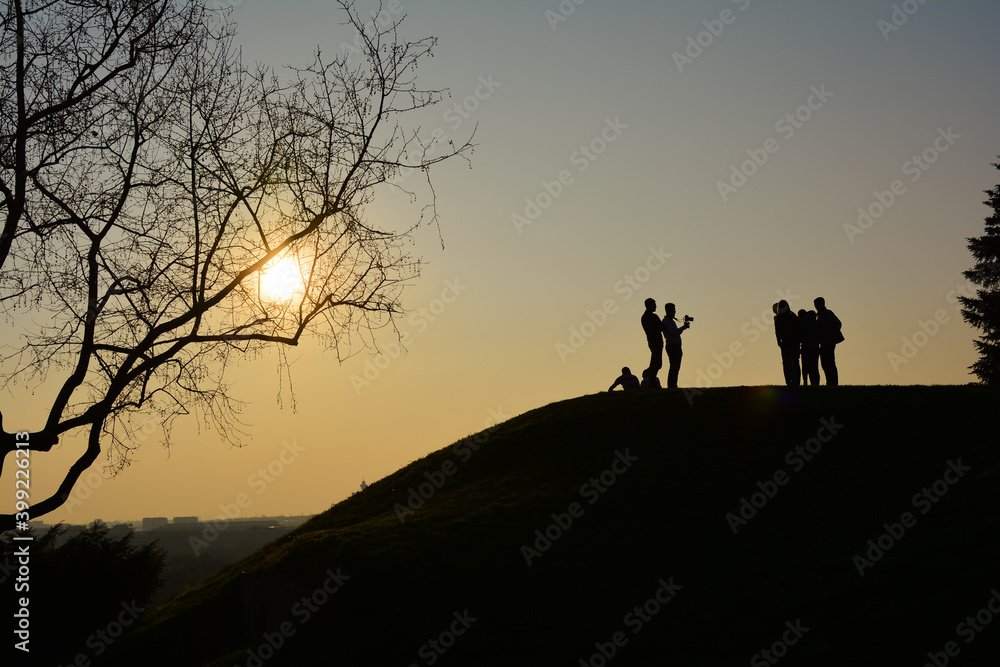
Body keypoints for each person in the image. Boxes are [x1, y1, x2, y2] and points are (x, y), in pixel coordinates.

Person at [814, 296, 844, 385]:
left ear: (821, 304)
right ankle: (830, 382)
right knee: (825, 363)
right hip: (824, 341)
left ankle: (833, 382)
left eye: (816, 304)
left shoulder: (827, 313)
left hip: (829, 342)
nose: (815, 306)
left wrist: (830, 335)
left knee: (829, 362)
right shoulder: (820, 315)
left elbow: (838, 323)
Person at [661, 302, 690, 389]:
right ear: (668, 310)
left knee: (675, 366)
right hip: (673, 346)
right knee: (674, 366)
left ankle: (673, 384)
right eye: (673, 310)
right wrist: (684, 327)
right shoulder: (666, 321)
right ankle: (672, 385)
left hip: (675, 345)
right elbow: (674, 333)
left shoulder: (670, 321)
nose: (674, 312)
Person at [773, 300, 801, 386]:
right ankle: (795, 381)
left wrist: (779, 341)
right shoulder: (792, 316)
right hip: (791, 342)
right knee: (793, 361)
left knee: (787, 362)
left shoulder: (779, 318)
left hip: (786, 342)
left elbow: (777, 331)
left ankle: (790, 381)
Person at [641, 298, 663, 379]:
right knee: (656, 363)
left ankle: (651, 378)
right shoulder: (653, 316)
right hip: (656, 342)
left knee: (656, 363)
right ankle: (651, 380)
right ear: (650, 305)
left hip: (651, 342)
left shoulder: (644, 317)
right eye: (654, 304)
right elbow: (662, 327)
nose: (656, 306)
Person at [798, 309, 821, 386]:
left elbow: (800, 335)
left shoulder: (802, 322)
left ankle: (805, 382)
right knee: (814, 367)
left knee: (805, 366)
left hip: (805, 347)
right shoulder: (816, 323)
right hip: (815, 347)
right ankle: (815, 383)